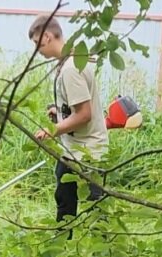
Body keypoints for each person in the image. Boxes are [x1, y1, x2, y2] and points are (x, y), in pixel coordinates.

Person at [27, 13, 109, 231]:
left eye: (37, 43)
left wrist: (52, 130)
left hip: (88, 151)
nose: (37, 49)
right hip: (72, 148)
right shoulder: (68, 63)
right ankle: (62, 249)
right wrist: (60, 113)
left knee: (96, 206)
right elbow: (76, 108)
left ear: (47, 37)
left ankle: (103, 255)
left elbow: (84, 114)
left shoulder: (71, 69)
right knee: (64, 198)